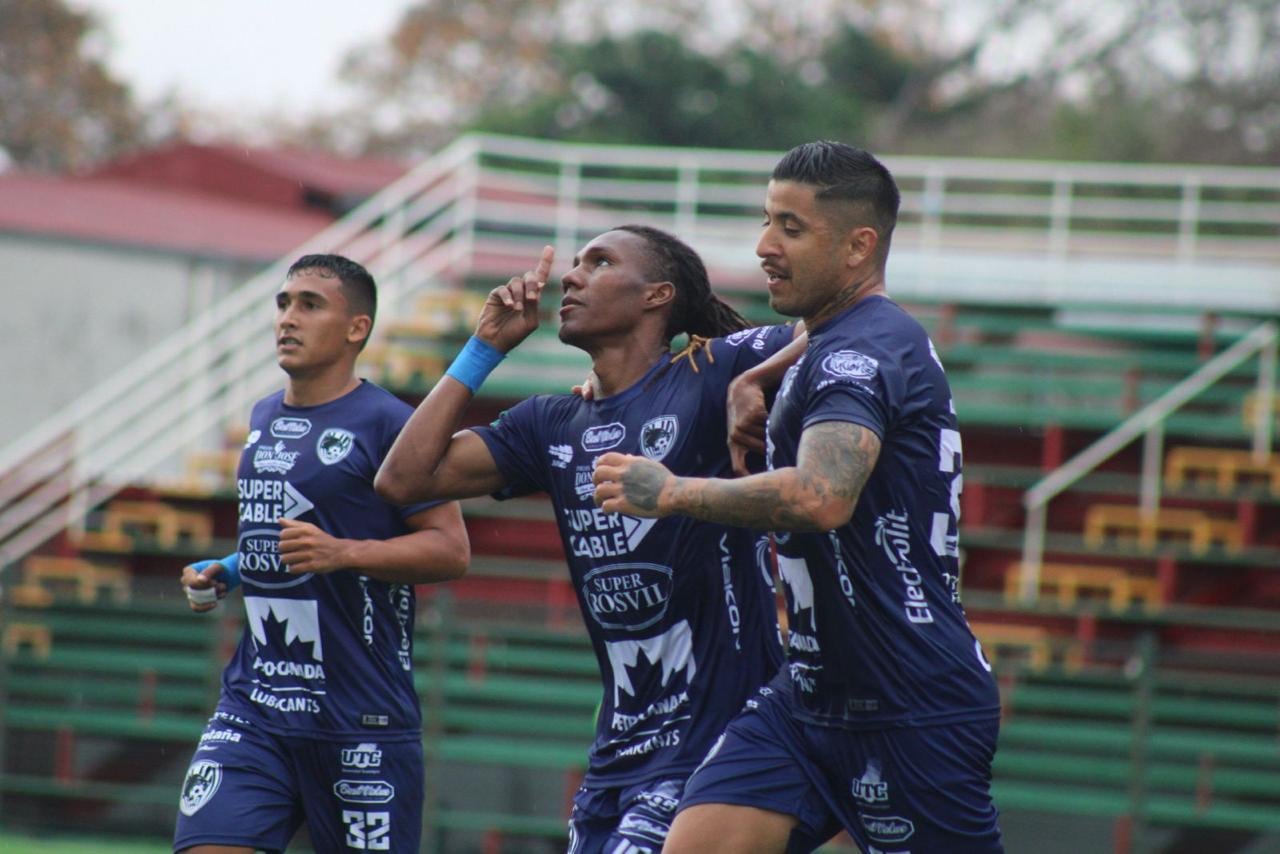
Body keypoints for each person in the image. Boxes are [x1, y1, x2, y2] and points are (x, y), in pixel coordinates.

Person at [591, 142, 1004, 853]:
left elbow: (820, 497)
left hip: (908, 699)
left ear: (857, 247)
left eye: (790, 228)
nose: (764, 246)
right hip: (806, 698)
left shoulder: (859, 354)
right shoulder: (848, 334)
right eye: (765, 221)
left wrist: (673, 492)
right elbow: (823, 338)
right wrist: (752, 379)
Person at [374, 225, 800, 853]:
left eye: (598, 263)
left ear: (657, 295)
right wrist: (484, 348)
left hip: (718, 740)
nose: (571, 277)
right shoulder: (548, 422)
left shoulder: (711, 369)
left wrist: (752, 377)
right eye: (574, 264)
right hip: (617, 753)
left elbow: (851, 328)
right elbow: (402, 479)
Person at [174, 254, 470, 854]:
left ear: (356, 328)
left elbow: (451, 549)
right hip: (255, 709)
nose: (288, 318)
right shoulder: (261, 416)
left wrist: (345, 553)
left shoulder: (390, 423)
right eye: (283, 303)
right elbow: (286, 533)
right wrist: (227, 570)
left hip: (360, 719)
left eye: (310, 305)